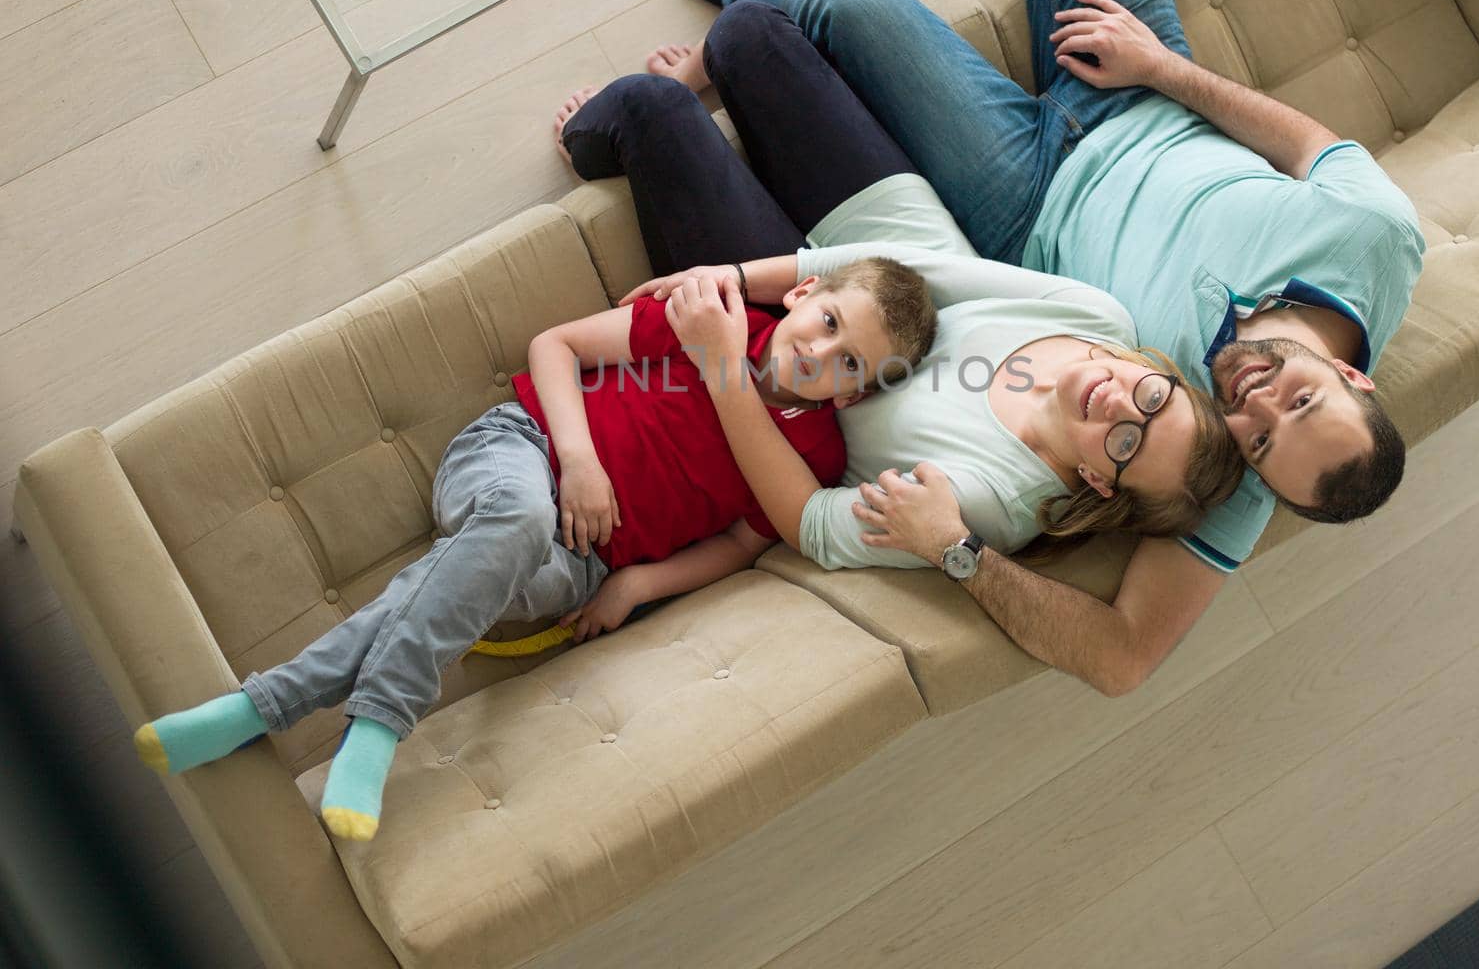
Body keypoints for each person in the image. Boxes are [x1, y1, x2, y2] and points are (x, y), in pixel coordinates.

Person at [646, 0, 1426, 693]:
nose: (1251, 403)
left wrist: (962, 554)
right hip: (1136, 88)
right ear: (1355, 378)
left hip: (1016, 201)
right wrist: (1162, 68)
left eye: (1256, 439)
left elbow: (1124, 659)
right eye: (1299, 398)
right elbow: (1309, 147)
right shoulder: (1379, 242)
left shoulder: (1207, 461)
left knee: (845, 1)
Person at [131, 251, 937, 842]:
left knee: (479, 581)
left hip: (582, 563)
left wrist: (640, 584)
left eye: (850, 363)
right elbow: (557, 346)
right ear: (801, 294)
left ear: (859, 392)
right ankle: (377, 723)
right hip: (522, 450)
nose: (820, 353)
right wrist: (579, 459)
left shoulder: (815, 458)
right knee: (512, 526)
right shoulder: (708, 321)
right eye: (827, 322)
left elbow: (738, 541)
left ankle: (256, 707)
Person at [552, 1, 1243, 597]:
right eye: (1154, 398)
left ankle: (595, 141)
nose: (1123, 403)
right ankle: (712, 87)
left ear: (1097, 479)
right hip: (876, 246)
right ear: (1163, 373)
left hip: (781, 344)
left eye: (1127, 441)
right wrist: (737, 273)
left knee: (654, 109)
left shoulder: (988, 504)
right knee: (746, 32)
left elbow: (812, 527)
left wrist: (725, 359)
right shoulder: (1102, 321)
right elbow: (927, 268)